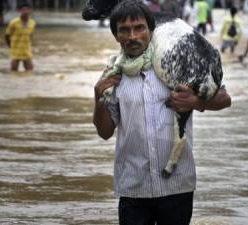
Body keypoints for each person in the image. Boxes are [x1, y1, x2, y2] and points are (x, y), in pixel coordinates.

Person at [92, 1, 231, 224]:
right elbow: (105, 132)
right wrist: (98, 98)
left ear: (150, 29)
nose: (133, 36)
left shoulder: (174, 61)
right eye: (124, 30)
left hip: (177, 186)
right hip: (133, 188)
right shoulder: (113, 75)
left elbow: (225, 99)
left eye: (139, 28)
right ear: (116, 36)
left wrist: (194, 101)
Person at [5, 3, 36, 72]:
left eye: (27, 9)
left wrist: (29, 45)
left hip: (26, 50)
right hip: (16, 50)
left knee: (30, 70)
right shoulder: (13, 22)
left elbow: (31, 35)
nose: (26, 11)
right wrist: (10, 46)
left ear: (30, 11)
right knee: (14, 71)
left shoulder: (32, 23)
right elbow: (7, 35)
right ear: (20, 11)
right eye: (24, 10)